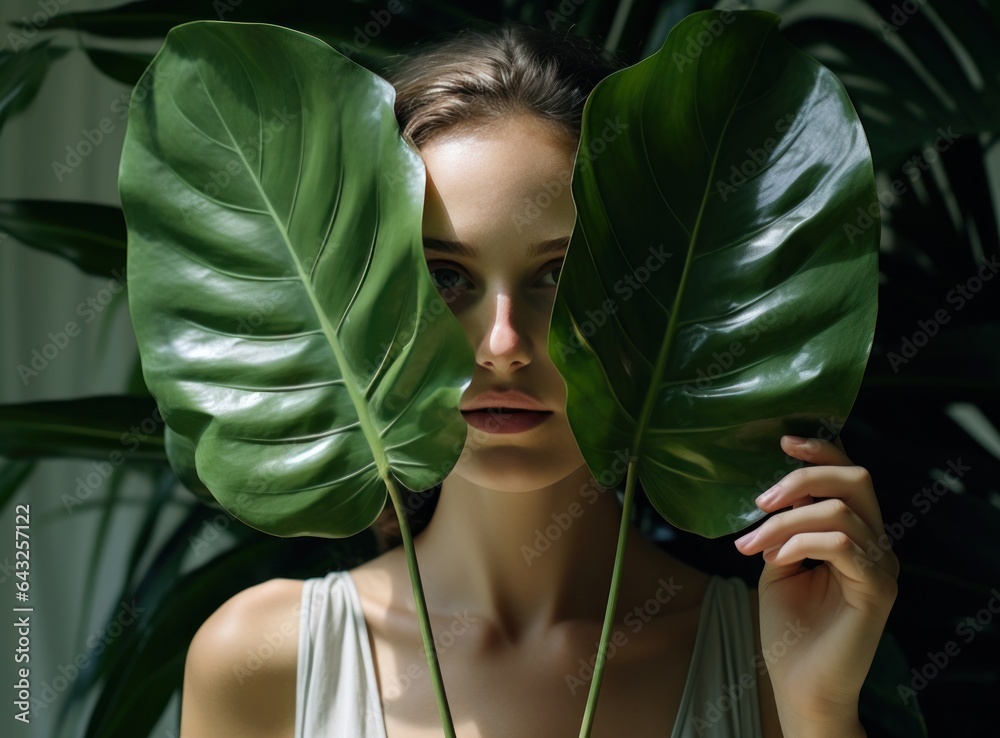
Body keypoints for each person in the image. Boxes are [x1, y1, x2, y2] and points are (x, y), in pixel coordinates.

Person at [178, 20, 898, 738]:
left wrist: (819, 713)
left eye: (559, 275)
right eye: (446, 276)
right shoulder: (264, 658)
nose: (501, 345)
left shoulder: (771, 654)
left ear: (653, 299)